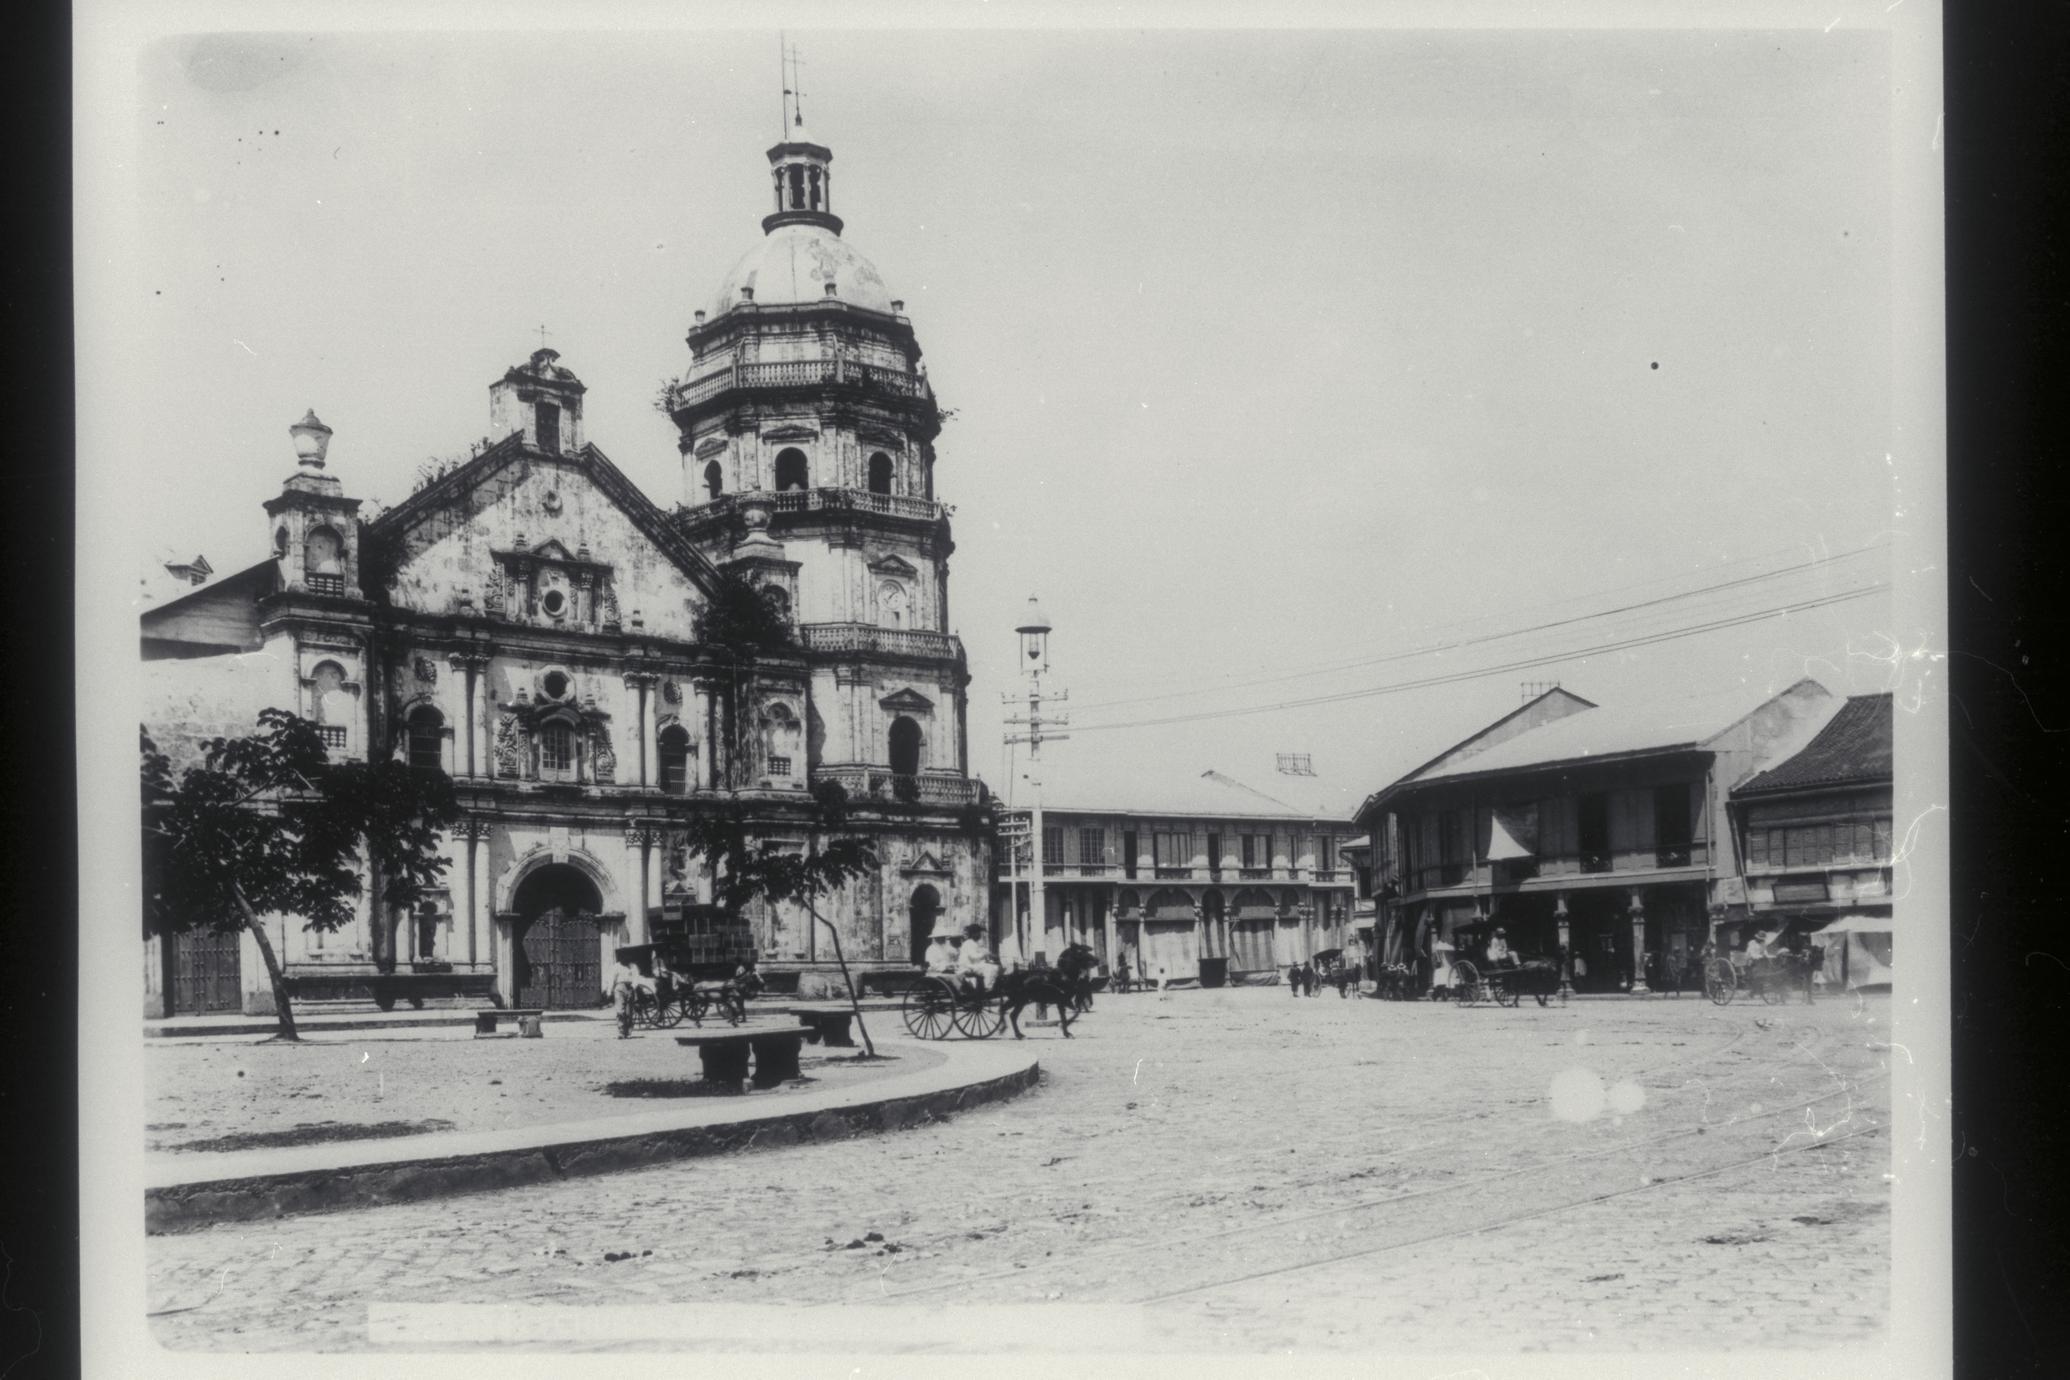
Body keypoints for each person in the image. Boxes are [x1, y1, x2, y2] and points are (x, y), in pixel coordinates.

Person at [607, 950, 643, 1039]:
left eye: (627, 956)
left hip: (630, 988)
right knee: (620, 1011)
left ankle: (628, 1032)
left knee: (629, 1012)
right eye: (623, 957)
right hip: (619, 988)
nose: (625, 959)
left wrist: (633, 986)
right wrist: (609, 991)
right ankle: (621, 1032)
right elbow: (611, 979)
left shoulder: (633, 966)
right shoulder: (616, 967)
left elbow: (636, 978)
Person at [956, 923, 999, 994]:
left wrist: (988, 957)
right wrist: (985, 954)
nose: (980, 935)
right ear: (973, 934)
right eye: (978, 933)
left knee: (993, 966)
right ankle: (987, 987)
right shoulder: (968, 943)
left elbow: (979, 955)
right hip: (967, 966)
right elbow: (974, 956)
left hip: (973, 964)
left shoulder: (975, 943)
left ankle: (988, 985)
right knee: (991, 968)